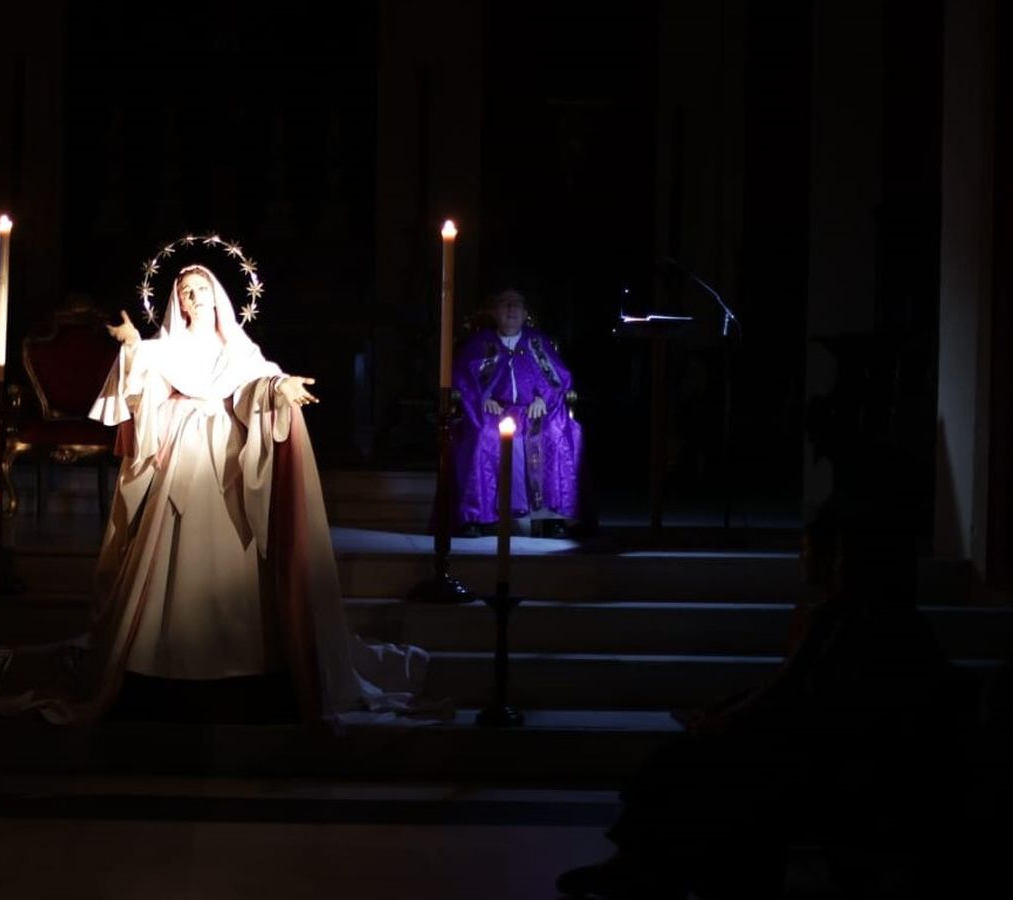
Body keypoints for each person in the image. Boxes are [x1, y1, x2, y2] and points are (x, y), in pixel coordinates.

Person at [555, 495, 966, 899]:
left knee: (691, 764)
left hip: (831, 764)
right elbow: (786, 686)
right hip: (817, 751)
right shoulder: (845, 618)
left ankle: (646, 866)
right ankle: (646, 864)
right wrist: (725, 711)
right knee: (690, 759)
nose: (802, 559)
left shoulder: (847, 622)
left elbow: (792, 695)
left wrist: (728, 720)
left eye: (810, 549)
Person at [71, 264, 428, 721]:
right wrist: (133, 346)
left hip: (226, 462)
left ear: (217, 296)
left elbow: (256, 384)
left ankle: (239, 656)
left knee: (231, 549)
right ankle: (157, 656)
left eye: (201, 289)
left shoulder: (237, 350)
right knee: (168, 552)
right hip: (180, 454)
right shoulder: (165, 349)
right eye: (185, 292)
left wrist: (280, 387)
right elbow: (144, 390)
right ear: (177, 301)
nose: (193, 298)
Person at [450, 287, 583, 538]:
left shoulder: (537, 342)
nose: (511, 309)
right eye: (504, 304)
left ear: (524, 314)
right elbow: (463, 378)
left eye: (516, 305)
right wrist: (482, 398)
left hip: (534, 412)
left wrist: (543, 398)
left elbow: (559, 377)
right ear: (494, 312)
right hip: (493, 412)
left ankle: (554, 517)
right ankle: (476, 518)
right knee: (481, 437)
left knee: (554, 434)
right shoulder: (480, 343)